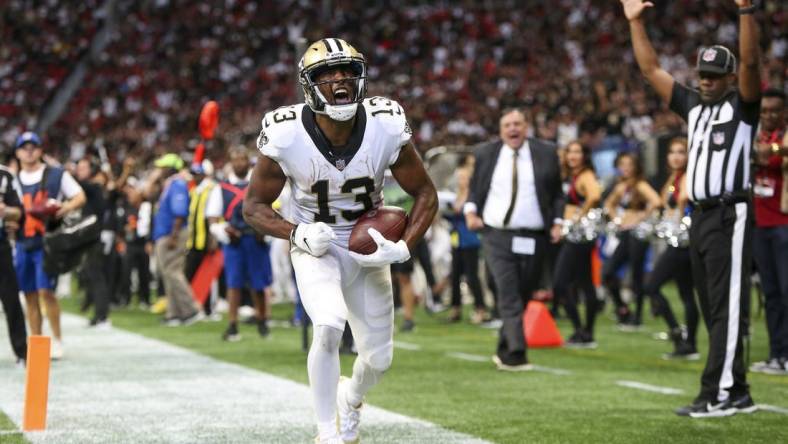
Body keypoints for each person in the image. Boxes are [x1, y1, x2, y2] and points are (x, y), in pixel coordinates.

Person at [242, 38, 437, 444]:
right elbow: (254, 207)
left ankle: (351, 398)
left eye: (346, 71)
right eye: (326, 74)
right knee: (329, 326)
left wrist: (404, 247)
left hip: (370, 245)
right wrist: (297, 232)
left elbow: (426, 193)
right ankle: (327, 432)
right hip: (316, 242)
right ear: (308, 85)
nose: (339, 80)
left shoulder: (385, 122)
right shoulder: (285, 131)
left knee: (379, 360)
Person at [622, 0, 761, 417]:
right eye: (701, 74)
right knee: (710, 304)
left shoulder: (744, 106)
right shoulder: (694, 107)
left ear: (730, 79)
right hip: (699, 216)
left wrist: (747, 11)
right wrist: (636, 23)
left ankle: (716, 393)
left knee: (726, 306)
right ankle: (736, 389)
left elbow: (753, 62)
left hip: (729, 213)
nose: (705, 82)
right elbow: (650, 71)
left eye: (715, 76)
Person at [464, 108, 564, 371]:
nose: (513, 128)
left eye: (517, 123)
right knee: (508, 291)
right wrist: (471, 211)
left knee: (524, 292)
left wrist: (557, 222)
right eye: (507, 124)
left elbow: (557, 193)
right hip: (496, 233)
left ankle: (504, 348)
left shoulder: (546, 152)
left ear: (527, 127)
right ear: (500, 129)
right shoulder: (486, 153)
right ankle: (517, 354)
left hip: (533, 235)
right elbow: (476, 189)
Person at [14, 131, 86, 359]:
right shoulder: (12, 180)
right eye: (24, 147)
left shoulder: (55, 175)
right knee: (29, 295)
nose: (29, 151)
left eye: (32, 146)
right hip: (22, 242)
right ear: (17, 153)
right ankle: (36, 342)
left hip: (47, 242)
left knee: (47, 291)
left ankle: (56, 340)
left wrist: (61, 209)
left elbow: (79, 196)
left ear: (40, 150)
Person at [206, 146, 272, 341]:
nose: (239, 164)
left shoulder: (259, 184)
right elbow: (212, 218)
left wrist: (265, 231)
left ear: (248, 162)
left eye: (242, 159)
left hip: (256, 238)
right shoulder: (222, 187)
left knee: (259, 283)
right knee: (233, 283)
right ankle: (232, 324)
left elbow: (270, 209)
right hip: (234, 241)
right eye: (235, 160)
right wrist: (223, 230)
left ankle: (262, 319)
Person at [644, 138, 700, 360]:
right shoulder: (673, 177)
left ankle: (678, 335)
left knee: (652, 286)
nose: (676, 156)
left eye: (681, 152)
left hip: (682, 243)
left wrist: (676, 217)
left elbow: (685, 199)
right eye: (672, 152)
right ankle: (689, 345)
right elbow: (660, 202)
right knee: (686, 294)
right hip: (677, 241)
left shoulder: (686, 176)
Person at [750, 88, 788, 375]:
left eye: (774, 110)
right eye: (763, 111)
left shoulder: (781, 138)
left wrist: (773, 150)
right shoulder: (755, 137)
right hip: (760, 225)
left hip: (784, 224)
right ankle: (777, 354)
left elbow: (775, 155)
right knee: (770, 293)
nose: (768, 116)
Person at [602, 152, 660, 329]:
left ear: (636, 167)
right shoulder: (622, 186)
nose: (625, 168)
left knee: (637, 275)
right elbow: (608, 204)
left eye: (629, 164)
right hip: (625, 233)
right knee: (608, 273)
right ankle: (623, 309)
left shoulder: (640, 185)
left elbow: (656, 201)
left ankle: (638, 317)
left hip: (638, 234)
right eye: (622, 164)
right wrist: (617, 220)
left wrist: (639, 217)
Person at [553, 141, 602, 347]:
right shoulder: (571, 175)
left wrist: (576, 218)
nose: (572, 155)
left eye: (577, 151)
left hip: (579, 238)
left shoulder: (585, 175)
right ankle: (585, 333)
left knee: (560, 284)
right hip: (575, 237)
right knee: (584, 284)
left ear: (584, 155)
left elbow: (595, 195)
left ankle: (581, 330)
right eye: (569, 152)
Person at [148, 153, 203, 326]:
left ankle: (192, 309)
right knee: (169, 274)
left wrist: (173, 235)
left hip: (172, 234)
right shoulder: (170, 184)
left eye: (162, 167)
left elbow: (179, 213)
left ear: (171, 168)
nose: (159, 170)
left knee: (173, 273)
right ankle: (174, 314)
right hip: (167, 233)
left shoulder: (177, 184)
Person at [446, 154, 488, 324]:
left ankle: (481, 309)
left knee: (472, 276)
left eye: (463, 177)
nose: (460, 180)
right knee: (455, 276)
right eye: (459, 177)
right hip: (457, 240)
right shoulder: (456, 195)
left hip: (470, 240)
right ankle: (455, 309)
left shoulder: (472, 196)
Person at [74, 157, 111, 328]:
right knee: (90, 275)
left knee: (97, 276)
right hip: (87, 238)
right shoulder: (89, 188)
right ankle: (95, 311)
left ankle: (102, 316)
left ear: (92, 170)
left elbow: (79, 184)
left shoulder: (94, 187)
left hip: (95, 238)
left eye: (83, 167)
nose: (78, 170)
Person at [184, 159, 219, 317]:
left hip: (206, 239)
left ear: (204, 174)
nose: (194, 177)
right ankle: (194, 306)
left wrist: (213, 237)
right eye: (193, 174)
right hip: (193, 240)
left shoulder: (212, 189)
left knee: (207, 276)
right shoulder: (194, 191)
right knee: (190, 274)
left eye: (197, 174)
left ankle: (209, 310)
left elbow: (215, 214)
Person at [0, 162, 27, 365]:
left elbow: (18, 212)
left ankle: (22, 352)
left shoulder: (5, 175)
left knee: (11, 299)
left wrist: (5, 210)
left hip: (0, 246)